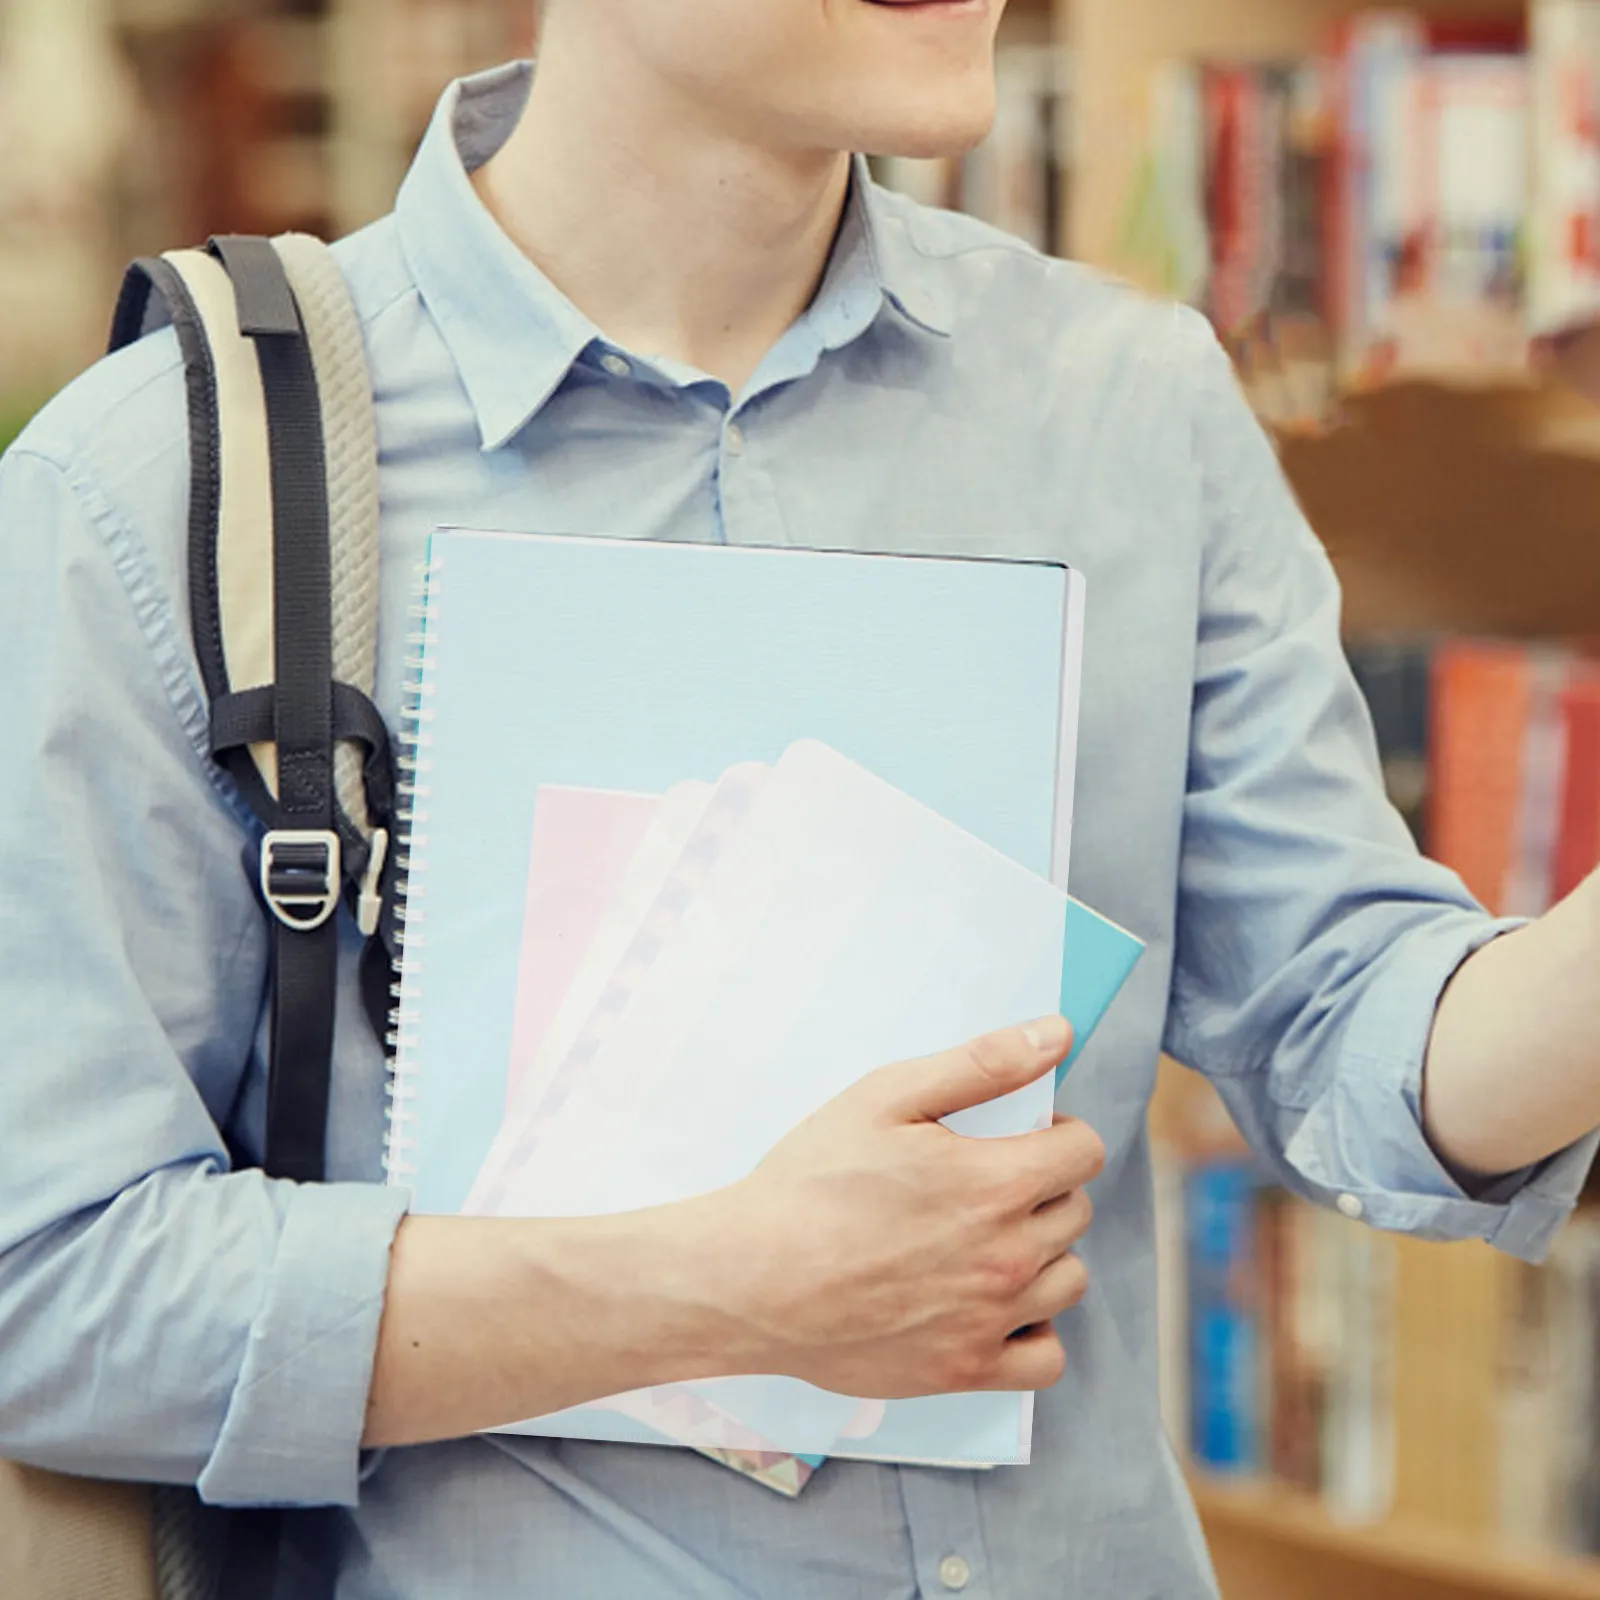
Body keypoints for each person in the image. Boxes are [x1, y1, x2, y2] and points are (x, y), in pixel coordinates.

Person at [1, 1, 1597, 1595]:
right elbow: (49, 1292)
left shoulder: (1131, 407)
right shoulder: (160, 488)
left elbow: (1348, 1026)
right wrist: (716, 1288)